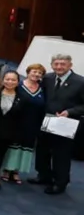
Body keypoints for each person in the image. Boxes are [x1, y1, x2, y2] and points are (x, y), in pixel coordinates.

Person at [29, 54, 84, 195]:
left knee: (61, 155)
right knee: (42, 150)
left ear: (70, 65)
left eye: (63, 64)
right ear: (52, 65)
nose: (59, 67)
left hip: (66, 124)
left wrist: (70, 111)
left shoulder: (80, 82)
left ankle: (60, 183)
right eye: (56, 64)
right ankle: (44, 176)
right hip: (46, 121)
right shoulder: (47, 78)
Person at [1, 63, 47, 183]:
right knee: (13, 146)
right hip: (16, 122)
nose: (36, 74)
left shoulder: (43, 89)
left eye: (39, 73)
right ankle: (7, 169)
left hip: (33, 124)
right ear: (28, 72)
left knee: (26, 148)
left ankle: (16, 171)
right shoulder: (18, 85)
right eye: (34, 71)